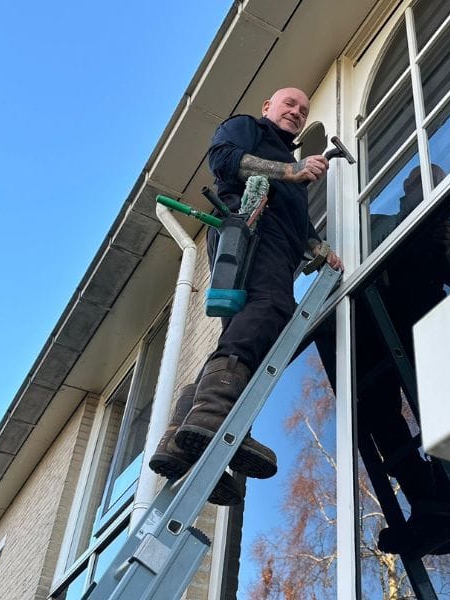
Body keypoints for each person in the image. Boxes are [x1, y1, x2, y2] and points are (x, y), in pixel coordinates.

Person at [149, 88, 342, 505]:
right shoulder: (248, 127)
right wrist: (290, 171)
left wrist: (321, 249)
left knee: (242, 334)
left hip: (273, 240)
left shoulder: (288, 166)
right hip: (250, 229)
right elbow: (223, 159)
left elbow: (299, 226)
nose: (297, 112)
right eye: (289, 104)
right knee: (270, 309)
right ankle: (213, 414)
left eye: (304, 110)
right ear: (267, 108)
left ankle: (183, 439)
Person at [357, 164, 450, 556]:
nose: (421, 191)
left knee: (441, 409)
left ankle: (447, 500)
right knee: (376, 413)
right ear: (405, 192)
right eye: (416, 184)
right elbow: (370, 252)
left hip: (426, 321)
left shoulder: (443, 232)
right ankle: (428, 500)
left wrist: (447, 247)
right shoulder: (381, 222)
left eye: (432, 184)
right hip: (380, 325)